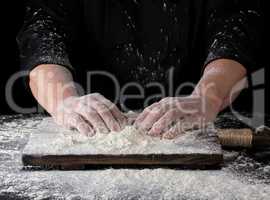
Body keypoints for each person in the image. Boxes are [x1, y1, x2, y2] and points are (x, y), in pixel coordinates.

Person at [17, 0, 262, 139]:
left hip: (193, 131)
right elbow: (43, 34)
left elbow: (236, 31)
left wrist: (207, 97)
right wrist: (64, 101)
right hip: (87, 135)